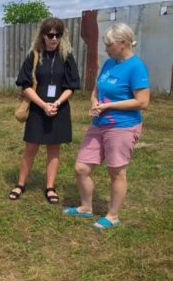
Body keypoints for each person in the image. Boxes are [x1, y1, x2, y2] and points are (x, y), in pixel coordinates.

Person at [64, 23, 150, 229]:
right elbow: (96, 90)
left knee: (116, 172)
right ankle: (86, 208)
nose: (105, 49)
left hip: (122, 126)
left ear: (122, 44)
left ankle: (113, 216)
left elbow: (143, 102)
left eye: (109, 45)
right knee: (81, 168)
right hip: (99, 124)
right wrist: (95, 103)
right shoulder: (110, 63)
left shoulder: (136, 67)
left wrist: (109, 105)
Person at [9, 17, 80, 204]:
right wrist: (43, 104)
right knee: (31, 147)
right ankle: (20, 184)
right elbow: (25, 85)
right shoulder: (34, 56)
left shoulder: (67, 57)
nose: (54, 38)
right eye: (50, 34)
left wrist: (56, 103)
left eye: (58, 34)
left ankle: (50, 187)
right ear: (43, 35)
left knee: (53, 148)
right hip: (37, 109)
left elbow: (71, 86)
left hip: (59, 109)